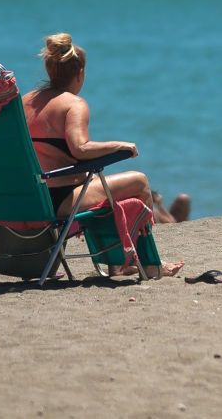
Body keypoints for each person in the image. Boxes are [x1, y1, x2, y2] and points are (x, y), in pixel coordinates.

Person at [23, 32, 184, 278]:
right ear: (80, 74)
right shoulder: (73, 104)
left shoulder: (26, 102)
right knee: (138, 181)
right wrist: (120, 145)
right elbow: (80, 148)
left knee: (103, 187)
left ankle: (119, 262)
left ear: (50, 69)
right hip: (62, 200)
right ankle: (148, 263)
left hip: (33, 197)